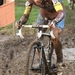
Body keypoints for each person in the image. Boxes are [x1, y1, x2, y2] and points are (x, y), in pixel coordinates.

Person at [15, 0, 65, 74]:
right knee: (38, 36)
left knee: (54, 36)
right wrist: (20, 22)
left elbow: (61, 13)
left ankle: (60, 62)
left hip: (57, 15)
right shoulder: (30, 1)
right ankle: (40, 62)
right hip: (44, 15)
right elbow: (25, 15)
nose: (37, 2)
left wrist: (54, 21)